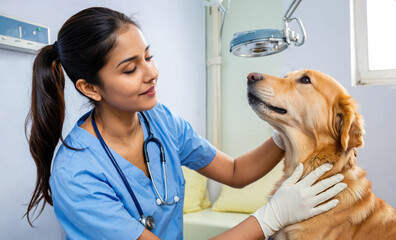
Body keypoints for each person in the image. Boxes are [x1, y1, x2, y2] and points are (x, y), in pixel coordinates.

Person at [25, 7, 347, 240]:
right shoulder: (76, 173)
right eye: (129, 69)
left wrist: (283, 135)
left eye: (148, 57)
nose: (151, 73)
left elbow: (235, 172)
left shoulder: (160, 121)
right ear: (90, 87)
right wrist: (270, 218)